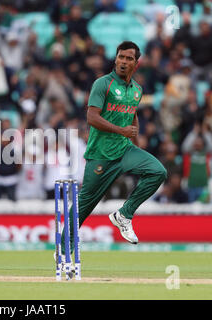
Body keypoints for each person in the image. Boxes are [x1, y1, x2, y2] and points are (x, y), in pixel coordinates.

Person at [59, 41, 167, 263]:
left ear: (136, 63)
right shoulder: (103, 84)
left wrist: (135, 140)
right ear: (115, 59)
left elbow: (132, 116)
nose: (123, 62)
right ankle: (62, 249)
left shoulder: (137, 90)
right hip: (100, 154)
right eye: (121, 57)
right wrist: (121, 130)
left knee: (158, 171)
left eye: (129, 58)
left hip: (125, 150)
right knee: (84, 205)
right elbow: (91, 117)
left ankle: (124, 214)